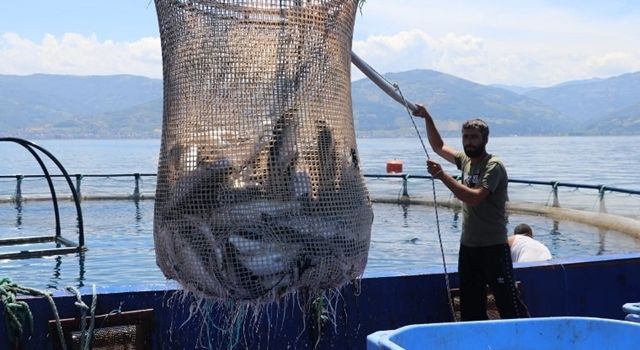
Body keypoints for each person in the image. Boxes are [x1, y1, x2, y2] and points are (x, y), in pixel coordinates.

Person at [412, 104, 529, 321]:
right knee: (471, 307)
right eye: (465, 137)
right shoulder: (465, 161)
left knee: (508, 305)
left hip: (494, 248)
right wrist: (427, 116)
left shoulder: (493, 166)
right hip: (469, 247)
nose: (469, 141)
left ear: (484, 139)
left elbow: (475, 198)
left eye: (474, 137)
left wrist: (442, 176)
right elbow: (438, 146)